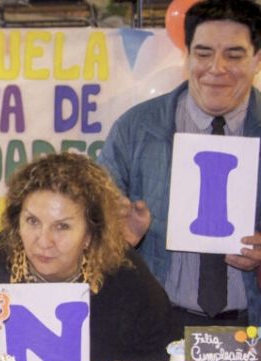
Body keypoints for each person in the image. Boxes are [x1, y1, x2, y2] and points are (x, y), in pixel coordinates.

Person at [99, 0, 261, 338]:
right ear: (186, 55)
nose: (216, 68)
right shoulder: (136, 129)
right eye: (203, 53)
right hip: (158, 325)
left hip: (251, 326)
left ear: (257, 58)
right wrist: (119, 236)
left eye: (234, 55)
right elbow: (90, 233)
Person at [0, 153, 171, 361]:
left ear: (90, 234)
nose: (44, 241)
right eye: (32, 221)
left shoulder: (122, 270)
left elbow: (168, 351)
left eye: (62, 227)